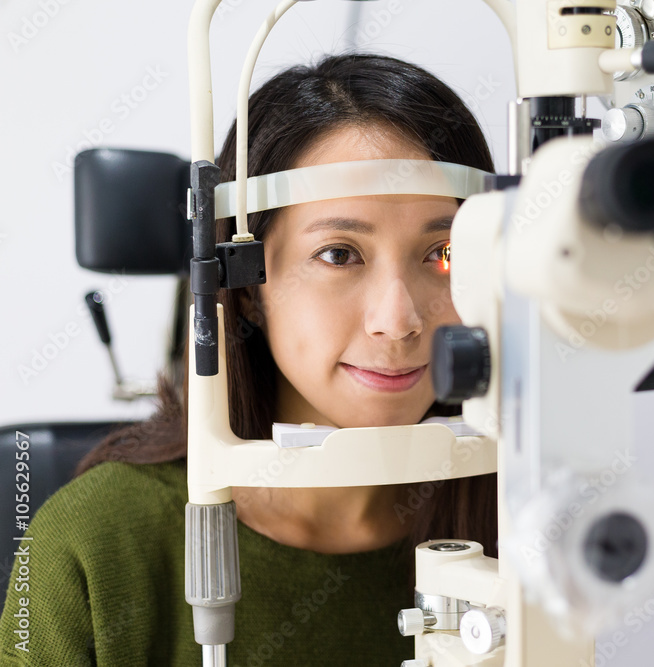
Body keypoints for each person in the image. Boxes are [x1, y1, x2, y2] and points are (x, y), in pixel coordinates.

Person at [0, 53, 498, 666]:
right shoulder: (92, 547)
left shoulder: (520, 526)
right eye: (340, 254)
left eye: (441, 251)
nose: (398, 321)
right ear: (247, 288)